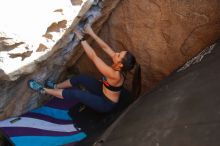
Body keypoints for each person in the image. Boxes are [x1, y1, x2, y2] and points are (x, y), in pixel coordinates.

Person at [28, 25, 141, 113]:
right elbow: (105, 47)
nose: (115, 53)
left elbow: (93, 56)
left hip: (105, 103)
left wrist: (81, 37)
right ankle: (55, 86)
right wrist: (91, 32)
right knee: (81, 78)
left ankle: (43, 90)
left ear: (120, 65)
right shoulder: (119, 64)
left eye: (118, 55)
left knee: (76, 94)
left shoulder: (114, 74)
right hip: (102, 90)